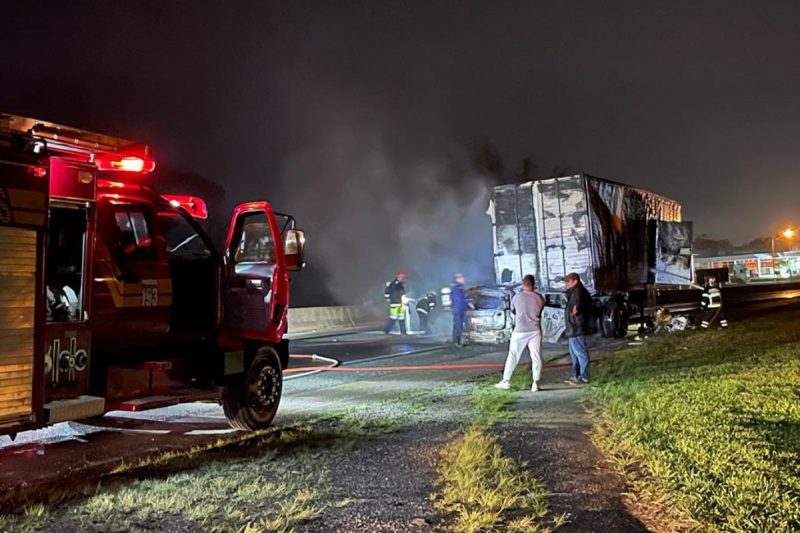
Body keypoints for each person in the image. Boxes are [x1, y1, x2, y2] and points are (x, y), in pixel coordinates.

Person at [495, 274, 545, 391]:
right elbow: (540, 310)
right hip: (535, 330)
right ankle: (535, 383)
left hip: (520, 331)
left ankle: (506, 381)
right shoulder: (540, 298)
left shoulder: (517, 297)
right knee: (536, 357)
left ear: (523, 284)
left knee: (513, 355)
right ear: (534, 285)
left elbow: (513, 311)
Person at [563, 272, 592, 385]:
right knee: (574, 353)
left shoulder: (577, 291)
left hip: (575, 327)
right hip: (574, 327)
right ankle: (577, 376)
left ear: (575, 281)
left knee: (579, 352)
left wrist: (576, 310)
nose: (566, 284)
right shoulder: (575, 291)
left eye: (568, 281)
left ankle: (584, 377)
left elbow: (577, 305)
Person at [450, 273, 472, 345]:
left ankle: (457, 340)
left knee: (458, 325)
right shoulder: (457, 288)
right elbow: (460, 299)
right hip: (458, 309)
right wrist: (468, 303)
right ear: (457, 279)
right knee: (458, 325)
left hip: (460, 309)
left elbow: (464, 297)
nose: (464, 279)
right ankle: (457, 341)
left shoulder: (460, 288)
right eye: (462, 278)